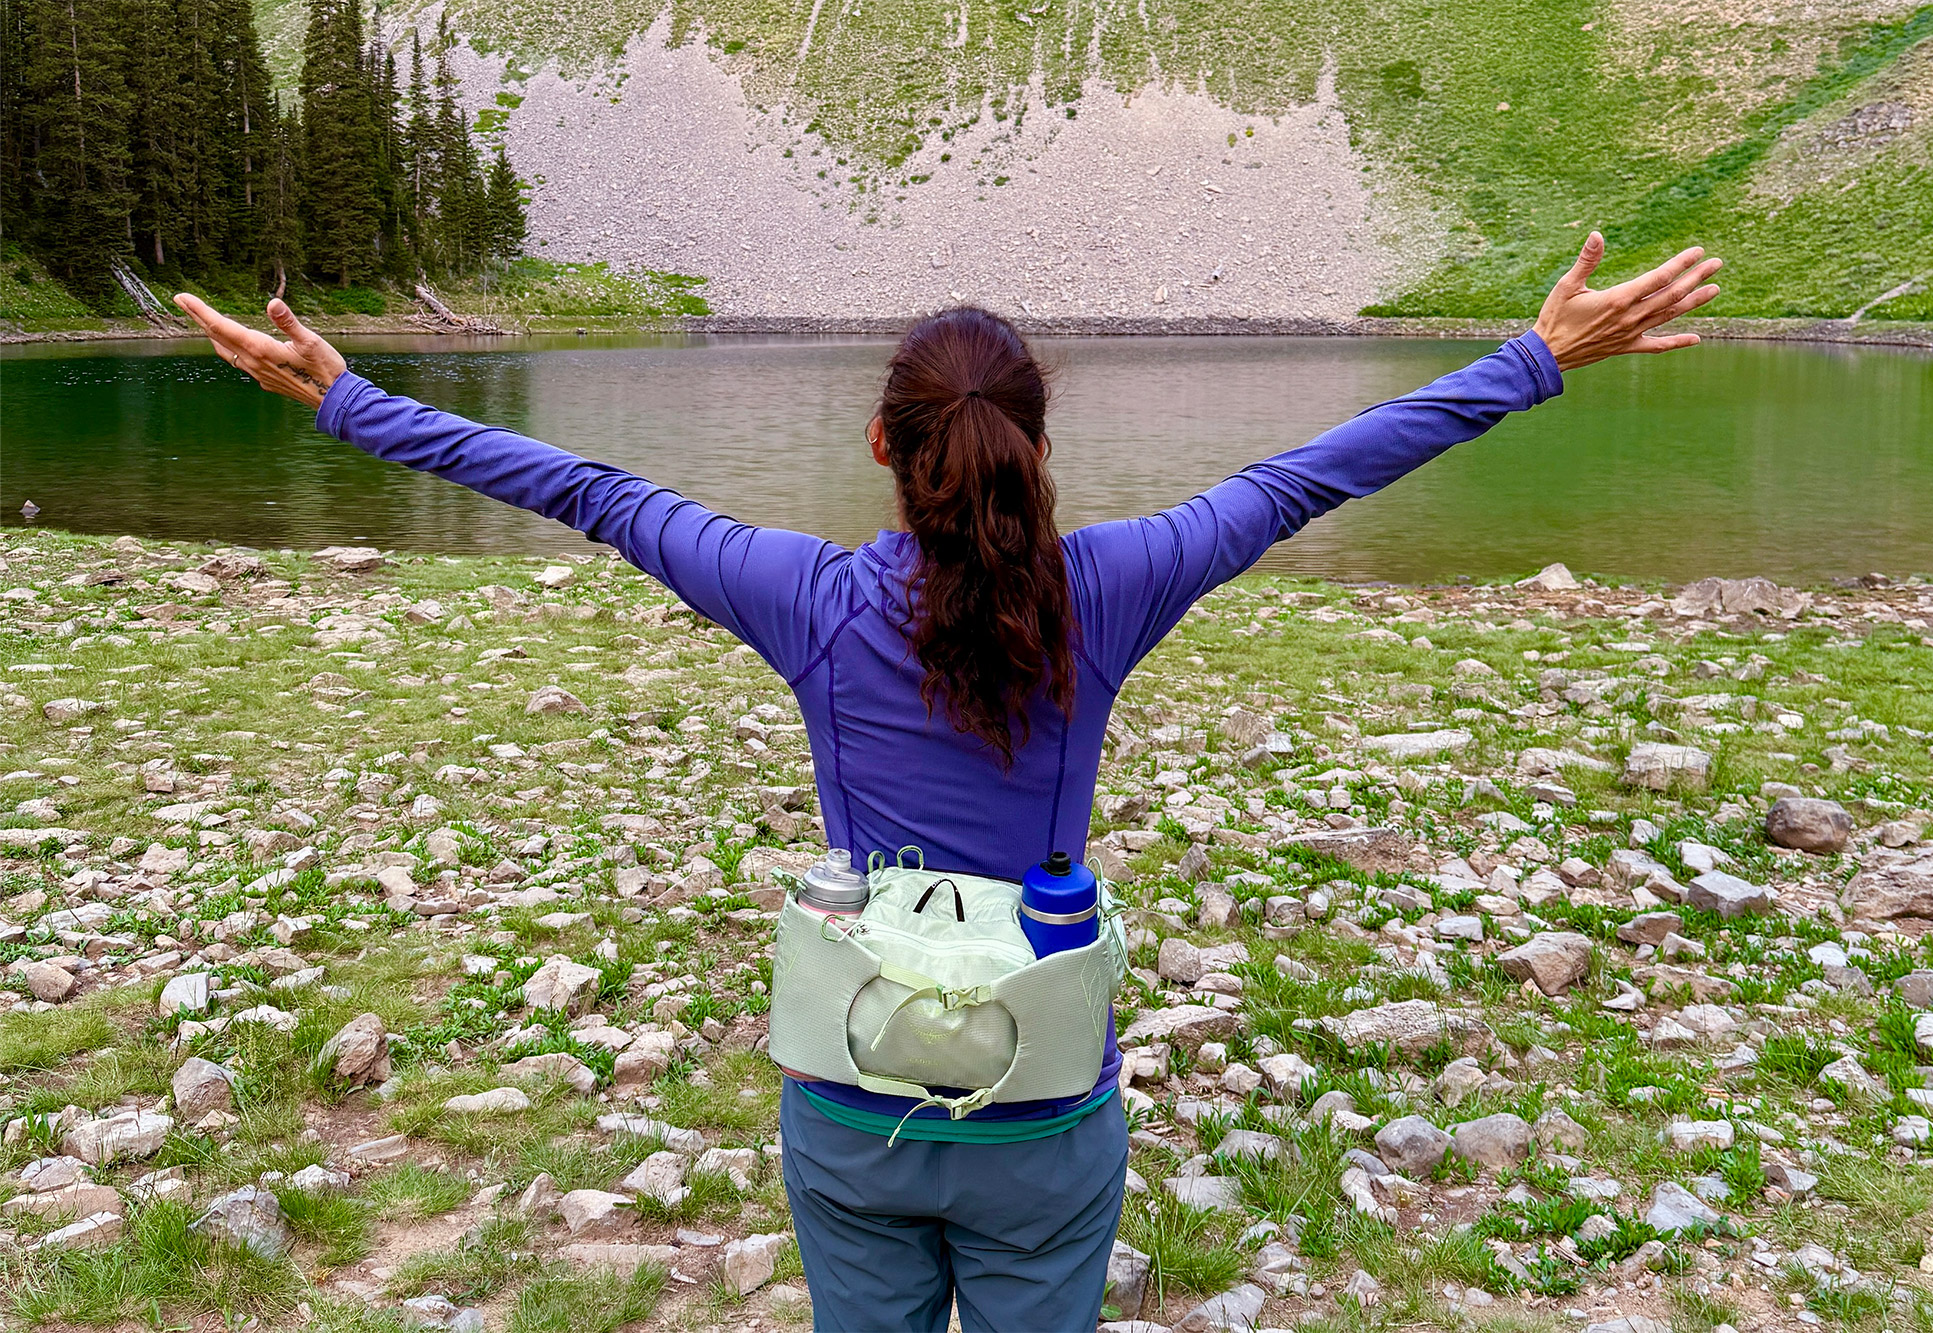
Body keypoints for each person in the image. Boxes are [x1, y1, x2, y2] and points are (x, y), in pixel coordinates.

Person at [172, 231, 1720, 1332]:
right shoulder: (1111, 587)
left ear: (882, 447)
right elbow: (1317, 472)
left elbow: (584, 487)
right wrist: (1530, 359)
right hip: (1045, 1109)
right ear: (1038, 450)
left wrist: (346, 399)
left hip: (852, 1103)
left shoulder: (800, 594)